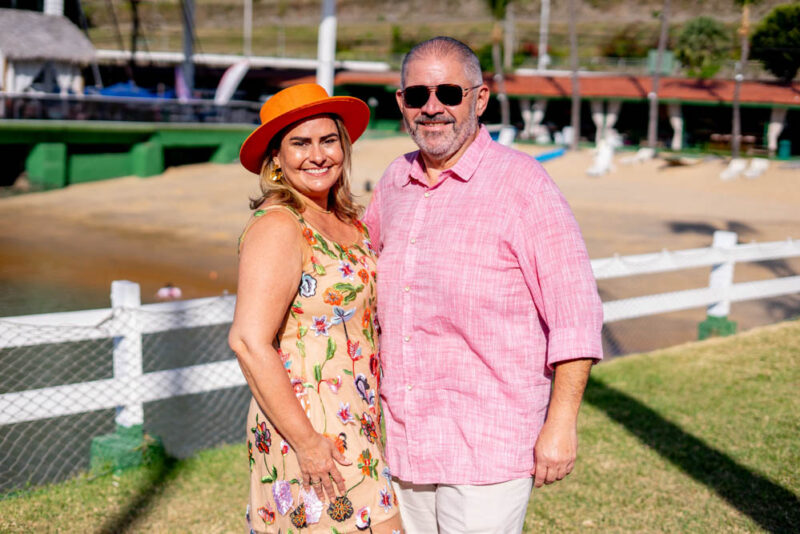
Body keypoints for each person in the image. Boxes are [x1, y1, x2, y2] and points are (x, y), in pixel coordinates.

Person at [363, 37, 604, 533]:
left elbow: (575, 314)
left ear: (479, 99)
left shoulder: (524, 185)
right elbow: (360, 276)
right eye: (417, 96)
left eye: (449, 93)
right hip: (404, 440)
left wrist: (560, 425)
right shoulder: (393, 183)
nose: (433, 108)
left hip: (488, 444)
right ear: (401, 105)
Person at [229, 83, 403, 534]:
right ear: (276, 159)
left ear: (344, 148)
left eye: (328, 141)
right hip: (309, 426)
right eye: (299, 144)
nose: (317, 155)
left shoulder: (348, 221)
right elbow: (249, 341)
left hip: (357, 418)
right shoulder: (280, 225)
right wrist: (306, 442)